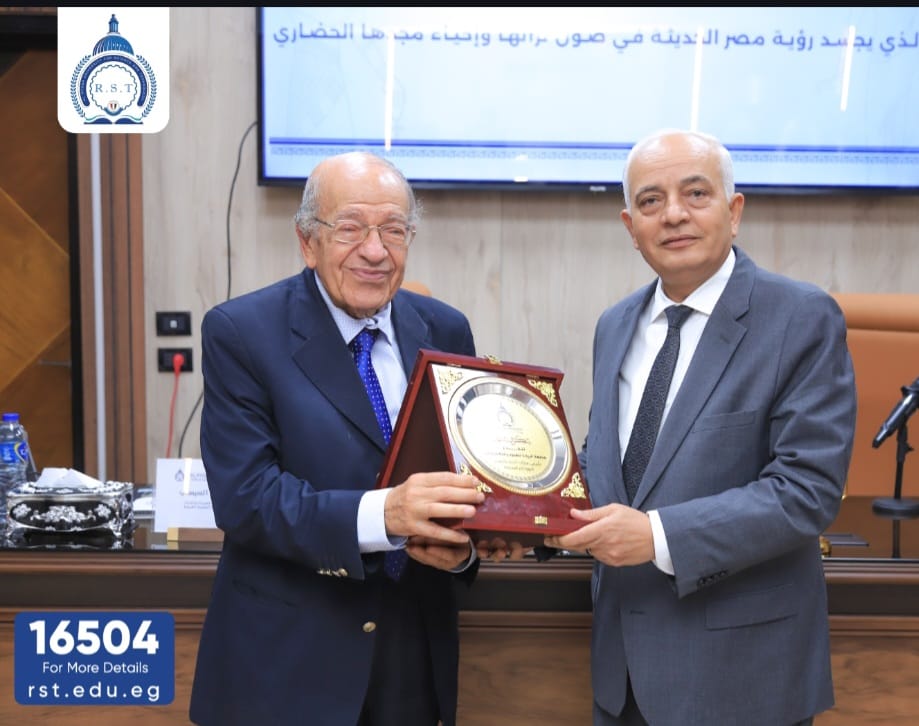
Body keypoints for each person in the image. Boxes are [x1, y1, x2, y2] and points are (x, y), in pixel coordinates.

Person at [189, 151, 518, 726]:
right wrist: (385, 514)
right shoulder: (241, 332)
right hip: (289, 663)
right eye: (350, 228)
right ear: (307, 241)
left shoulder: (445, 328)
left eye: (393, 230)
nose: (375, 250)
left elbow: (461, 474)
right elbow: (247, 499)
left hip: (411, 659)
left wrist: (466, 546)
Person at [545, 129, 857, 726]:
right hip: (621, 678)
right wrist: (525, 513)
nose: (673, 215)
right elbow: (604, 465)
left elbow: (807, 491)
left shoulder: (800, 317)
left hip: (742, 682)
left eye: (695, 193)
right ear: (630, 225)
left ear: (734, 212)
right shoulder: (615, 325)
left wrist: (656, 537)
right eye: (651, 201)